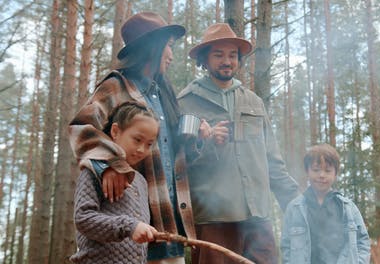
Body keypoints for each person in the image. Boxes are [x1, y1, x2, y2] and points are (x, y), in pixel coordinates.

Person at [69, 12, 209, 264]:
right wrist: (108, 164)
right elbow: (82, 127)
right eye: (168, 46)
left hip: (168, 220)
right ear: (152, 48)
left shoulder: (163, 94)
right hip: (129, 229)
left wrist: (197, 137)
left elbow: (175, 157)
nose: (171, 55)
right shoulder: (116, 86)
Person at [177, 23, 300, 264]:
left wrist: (299, 206)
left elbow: (273, 163)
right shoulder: (186, 103)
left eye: (233, 55)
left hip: (257, 219)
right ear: (204, 59)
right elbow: (179, 164)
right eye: (218, 54)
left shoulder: (253, 102)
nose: (227, 61)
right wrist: (208, 143)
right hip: (213, 222)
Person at [71, 101, 160, 263]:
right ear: (115, 131)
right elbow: (82, 218)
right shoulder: (94, 170)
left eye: (149, 144)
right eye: (137, 139)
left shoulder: (141, 182)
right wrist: (129, 226)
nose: (142, 150)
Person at [281, 144, 371, 264]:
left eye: (327, 170)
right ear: (307, 171)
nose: (321, 175)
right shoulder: (294, 208)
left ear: (335, 174)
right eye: (316, 170)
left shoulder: (348, 208)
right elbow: (286, 247)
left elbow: (363, 242)